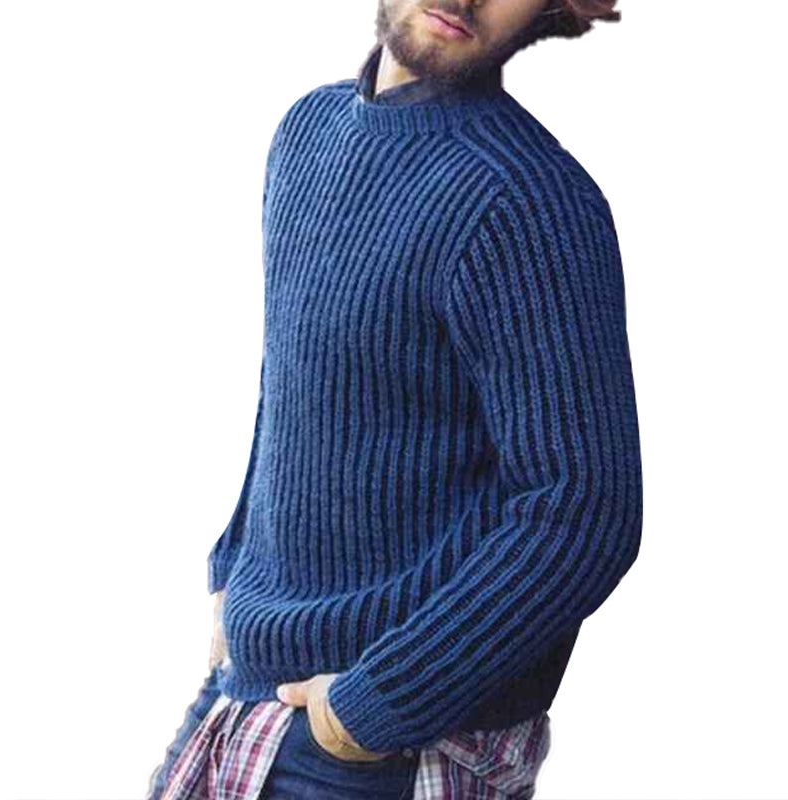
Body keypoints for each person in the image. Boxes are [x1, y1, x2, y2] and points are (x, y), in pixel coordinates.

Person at [147, 0, 641, 797]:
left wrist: (374, 707)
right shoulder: (308, 131)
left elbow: (584, 509)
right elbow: (299, 377)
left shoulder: (526, 201)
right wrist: (233, 565)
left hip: (382, 743)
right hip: (249, 691)